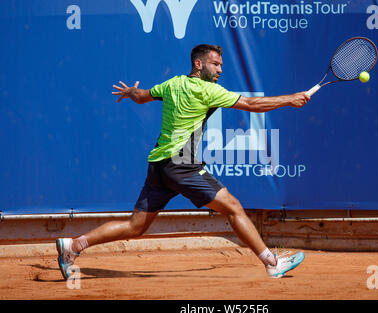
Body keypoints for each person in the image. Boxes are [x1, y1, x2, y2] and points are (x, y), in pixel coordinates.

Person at [56, 44, 310, 280]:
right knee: (233, 207)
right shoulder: (209, 90)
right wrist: (289, 99)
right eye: (215, 64)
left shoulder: (172, 83)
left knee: (135, 227)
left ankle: (75, 244)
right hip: (181, 164)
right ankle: (271, 262)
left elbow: (142, 95)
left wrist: (131, 91)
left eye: (221, 65)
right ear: (199, 64)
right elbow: (252, 104)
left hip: (158, 164)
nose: (220, 70)